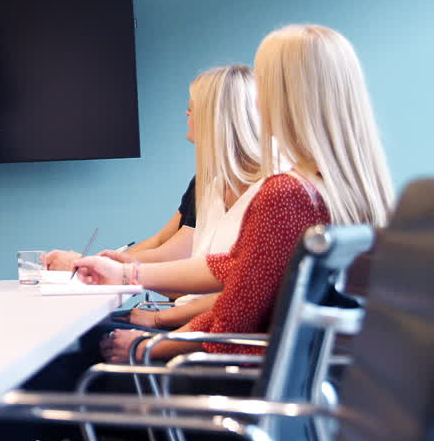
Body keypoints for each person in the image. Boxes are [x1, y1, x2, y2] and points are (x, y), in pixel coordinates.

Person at [77, 25, 393, 364]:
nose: (257, 98)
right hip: (297, 382)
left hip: (227, 380)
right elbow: (239, 269)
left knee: (65, 365)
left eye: (264, 82)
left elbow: (231, 321)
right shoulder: (347, 189)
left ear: (283, 96)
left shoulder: (286, 194)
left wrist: (145, 348)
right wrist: (128, 274)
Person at [48, 65, 264, 330]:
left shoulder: (268, 194)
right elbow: (168, 243)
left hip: (198, 330)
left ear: (214, 118)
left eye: (193, 108)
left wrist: (153, 316)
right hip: (187, 318)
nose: (186, 114)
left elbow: (189, 263)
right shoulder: (211, 186)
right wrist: (106, 266)